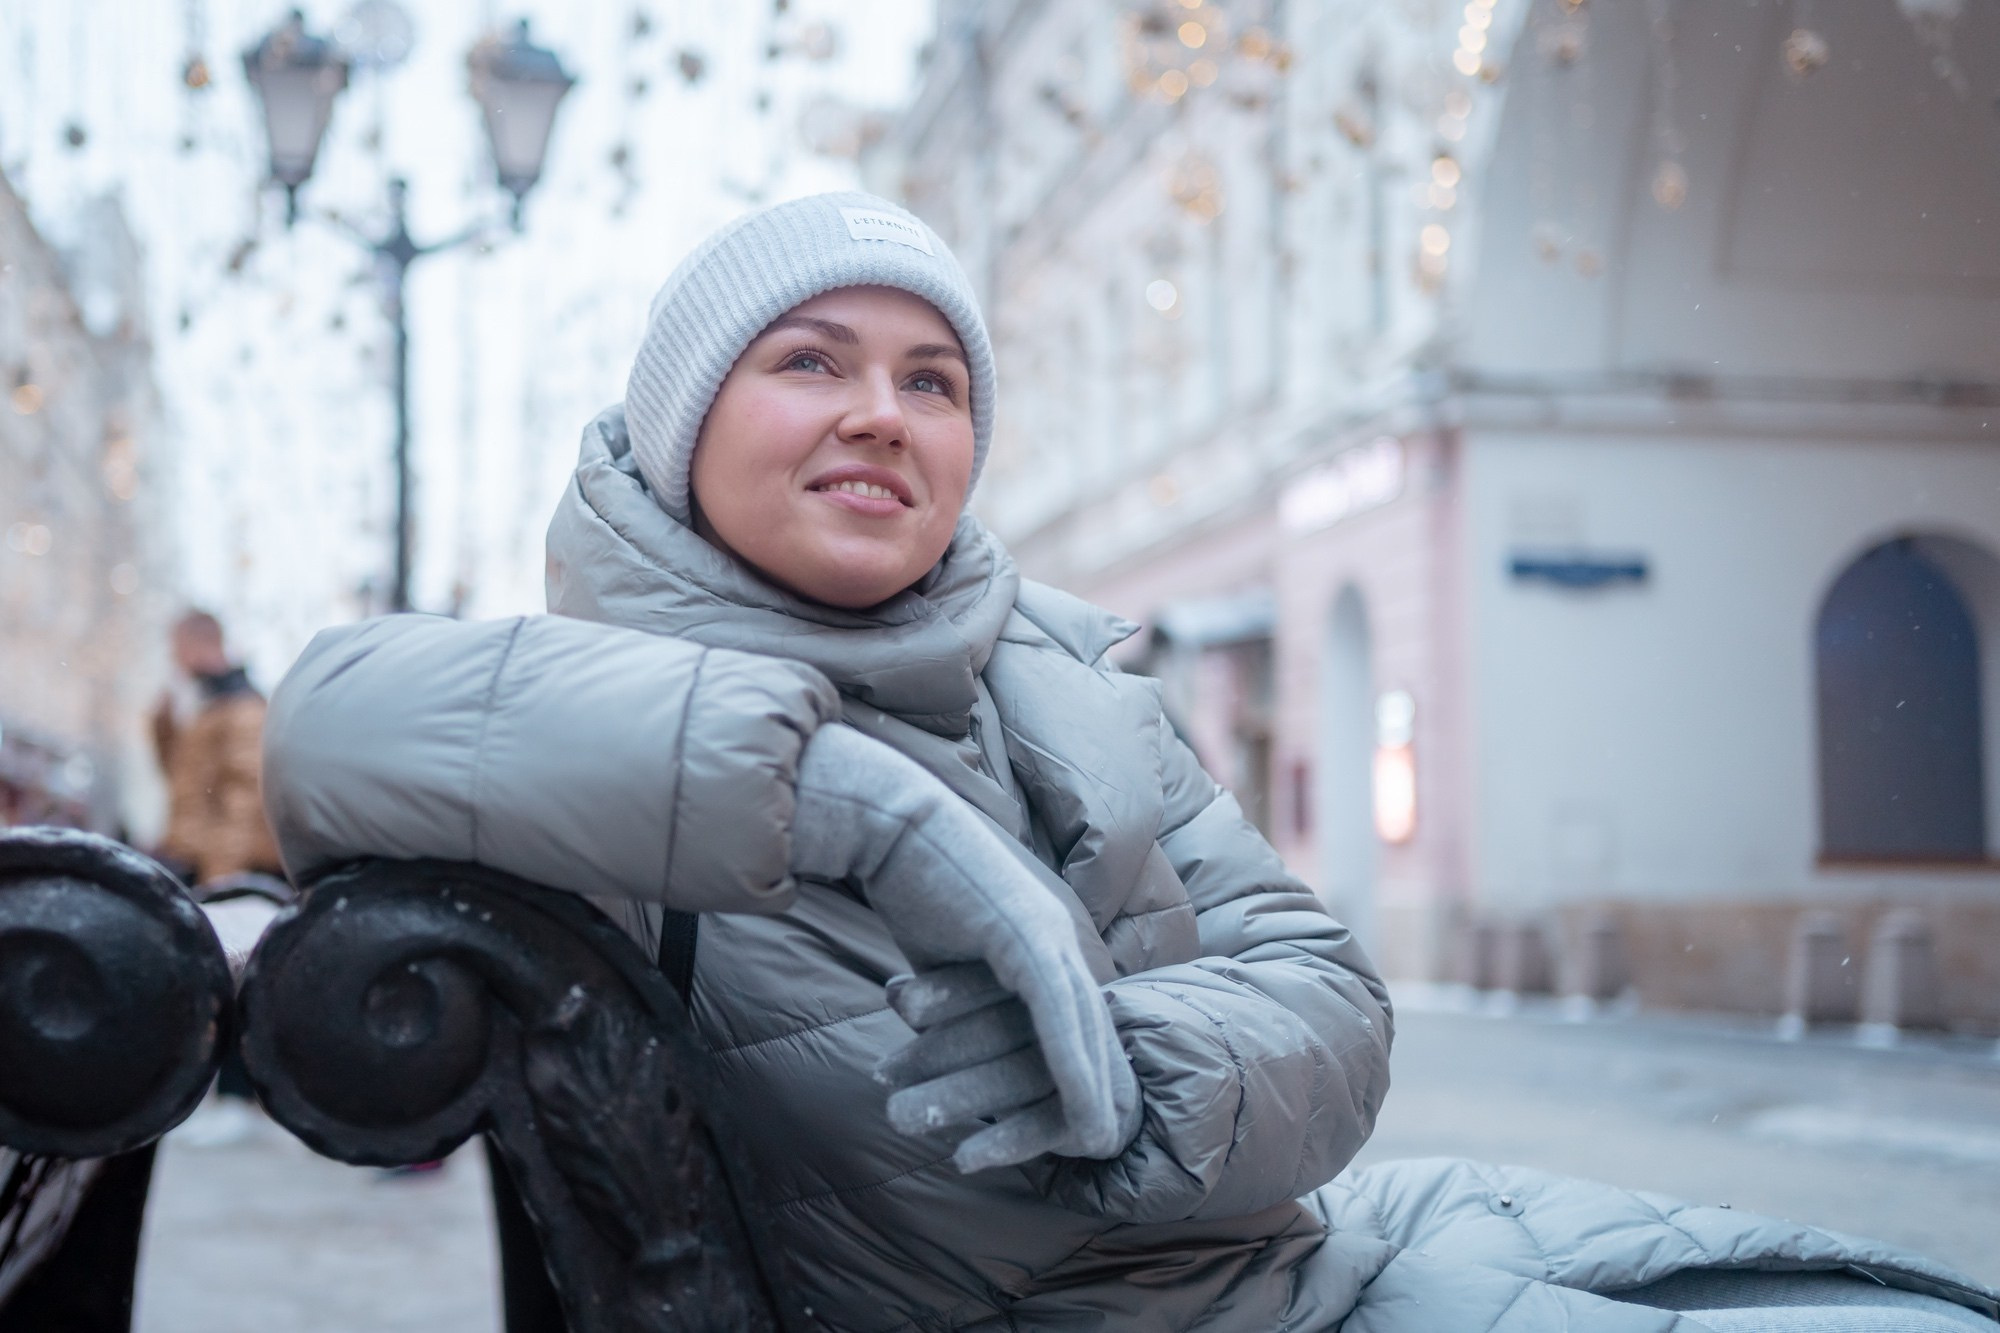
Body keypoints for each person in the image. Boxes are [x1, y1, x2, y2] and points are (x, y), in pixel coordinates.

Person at [259, 194, 1998, 1331]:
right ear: (676, 423)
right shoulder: (593, 717)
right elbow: (322, 726)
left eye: (934, 380)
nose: (883, 410)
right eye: (809, 362)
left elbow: (1328, 990)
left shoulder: (1070, 674)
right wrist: (847, 806)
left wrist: (1153, 1073)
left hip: (1320, 1261)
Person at [151, 610, 282, 886]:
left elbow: (245, 799)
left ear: (193, 645)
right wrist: (162, 722)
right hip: (193, 863)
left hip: (219, 871)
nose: (173, 659)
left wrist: (221, 882)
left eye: (177, 649)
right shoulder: (205, 706)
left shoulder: (242, 708)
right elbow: (181, 782)